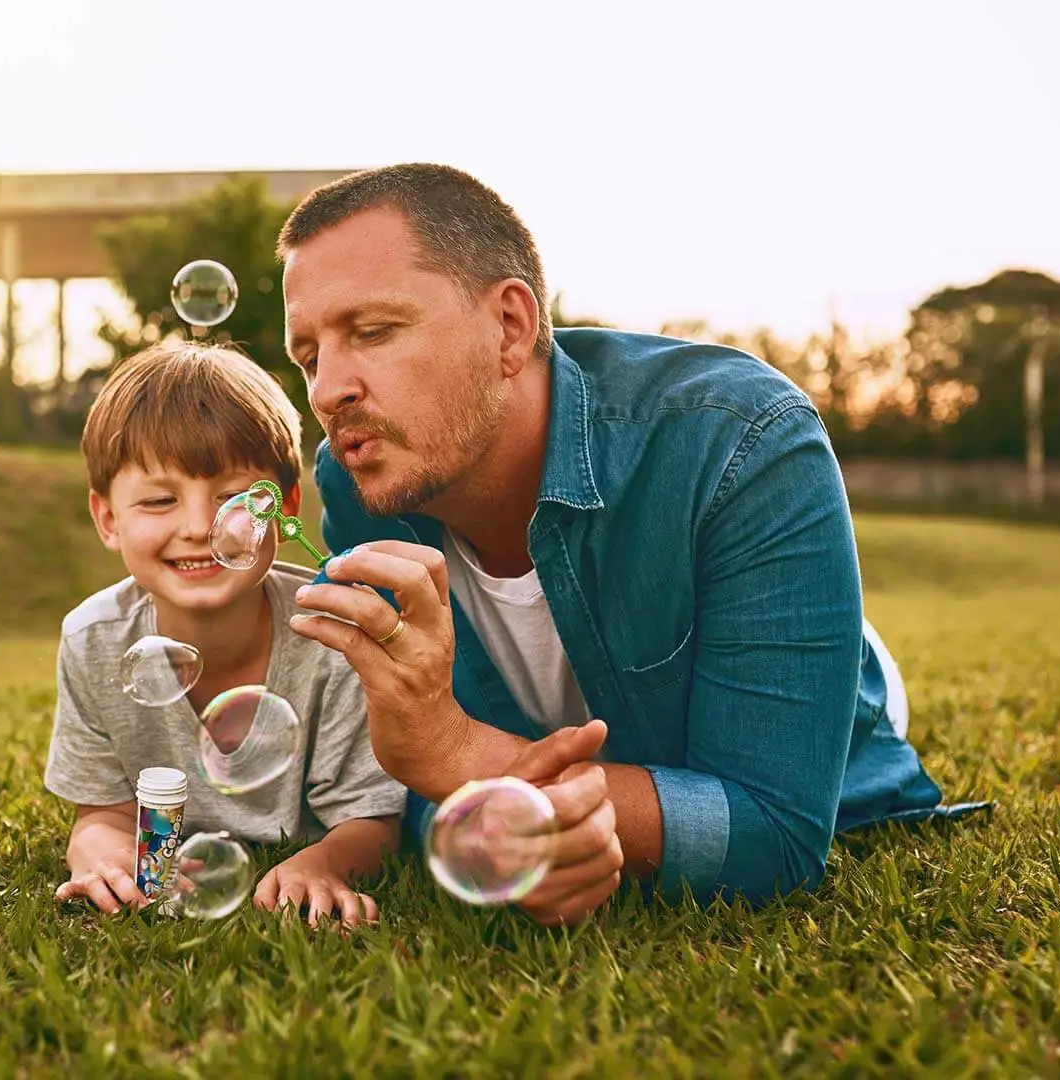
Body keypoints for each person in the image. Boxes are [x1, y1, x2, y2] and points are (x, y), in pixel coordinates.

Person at [279, 164, 982, 927]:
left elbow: (778, 832)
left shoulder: (738, 438)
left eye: (373, 332)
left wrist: (463, 757)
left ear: (509, 326)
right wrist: (503, 823)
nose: (326, 391)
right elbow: (411, 770)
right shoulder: (356, 486)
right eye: (309, 357)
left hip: (802, 661)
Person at [45, 340, 405, 927]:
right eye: (159, 500)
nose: (198, 527)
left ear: (286, 507)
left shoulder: (334, 634)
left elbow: (372, 821)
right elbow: (102, 814)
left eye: (235, 499)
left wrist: (323, 863)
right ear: (108, 519)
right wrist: (103, 856)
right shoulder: (94, 640)